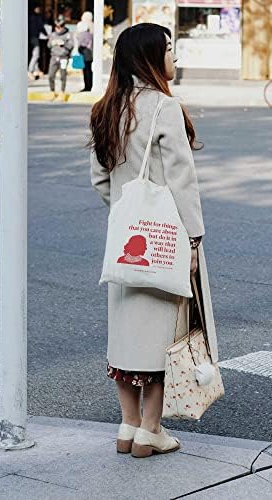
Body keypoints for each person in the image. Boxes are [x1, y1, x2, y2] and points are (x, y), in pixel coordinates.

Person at [89, 23, 219, 458]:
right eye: (168, 49)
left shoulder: (106, 108)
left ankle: (126, 428)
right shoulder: (164, 108)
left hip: (125, 240)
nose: (174, 57)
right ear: (149, 57)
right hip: (166, 239)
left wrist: (127, 215)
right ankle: (151, 430)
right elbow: (183, 180)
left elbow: (100, 178)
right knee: (164, 335)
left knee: (124, 335)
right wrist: (194, 239)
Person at [47, 16, 74, 101]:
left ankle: (62, 92)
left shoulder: (68, 34)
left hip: (63, 57)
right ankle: (52, 91)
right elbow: (48, 45)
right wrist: (52, 43)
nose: (58, 29)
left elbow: (71, 45)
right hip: (54, 57)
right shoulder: (53, 35)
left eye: (60, 26)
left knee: (63, 75)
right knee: (51, 75)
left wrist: (63, 44)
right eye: (57, 27)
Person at [28, 5, 47, 80]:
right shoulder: (37, 17)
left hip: (30, 37)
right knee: (36, 54)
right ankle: (30, 70)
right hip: (34, 37)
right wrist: (47, 34)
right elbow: (40, 27)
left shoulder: (29, 17)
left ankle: (36, 70)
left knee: (34, 54)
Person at [76, 11, 94, 92]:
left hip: (87, 50)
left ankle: (88, 86)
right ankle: (87, 85)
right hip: (83, 49)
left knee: (87, 69)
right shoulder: (84, 25)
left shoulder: (90, 26)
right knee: (85, 69)